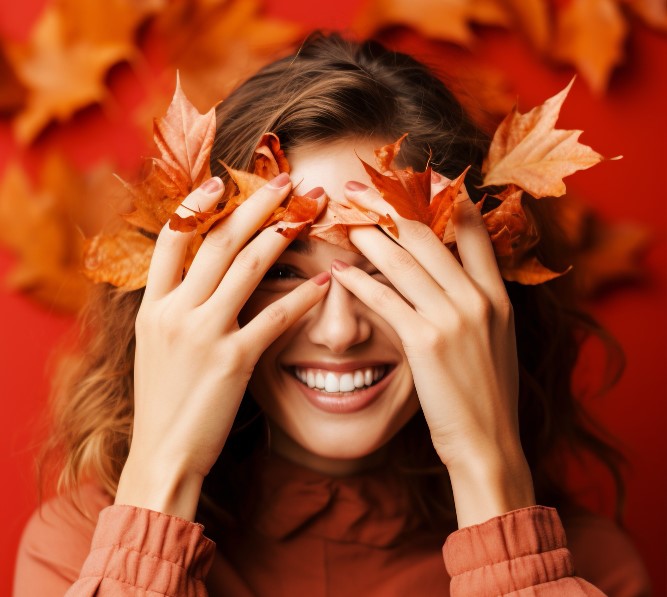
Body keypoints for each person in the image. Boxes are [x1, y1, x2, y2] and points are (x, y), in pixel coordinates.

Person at [14, 32, 650, 596]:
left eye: (388, 270)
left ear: (481, 300)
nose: (340, 332)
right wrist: (160, 486)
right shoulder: (78, 553)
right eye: (282, 271)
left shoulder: (592, 569)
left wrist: (491, 484)